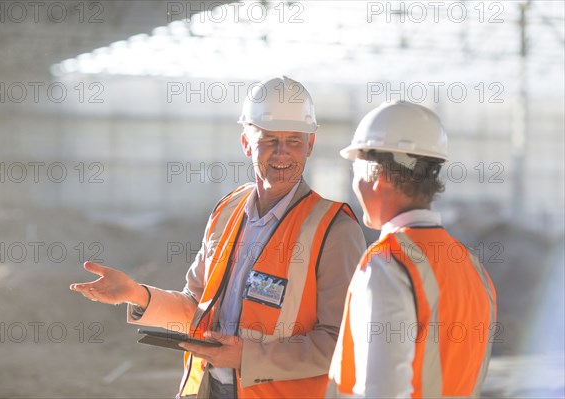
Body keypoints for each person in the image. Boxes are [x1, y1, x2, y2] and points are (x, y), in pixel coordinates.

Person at [70, 76, 366, 399]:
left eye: (294, 141)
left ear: (310, 144)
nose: (282, 154)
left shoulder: (334, 230)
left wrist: (247, 357)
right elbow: (196, 308)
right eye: (268, 140)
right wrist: (138, 294)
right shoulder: (227, 211)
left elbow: (339, 342)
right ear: (246, 143)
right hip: (208, 389)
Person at [328, 101, 497, 398]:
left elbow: (381, 392)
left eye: (355, 170)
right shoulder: (472, 267)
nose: (353, 183)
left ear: (376, 176)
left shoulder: (387, 265)